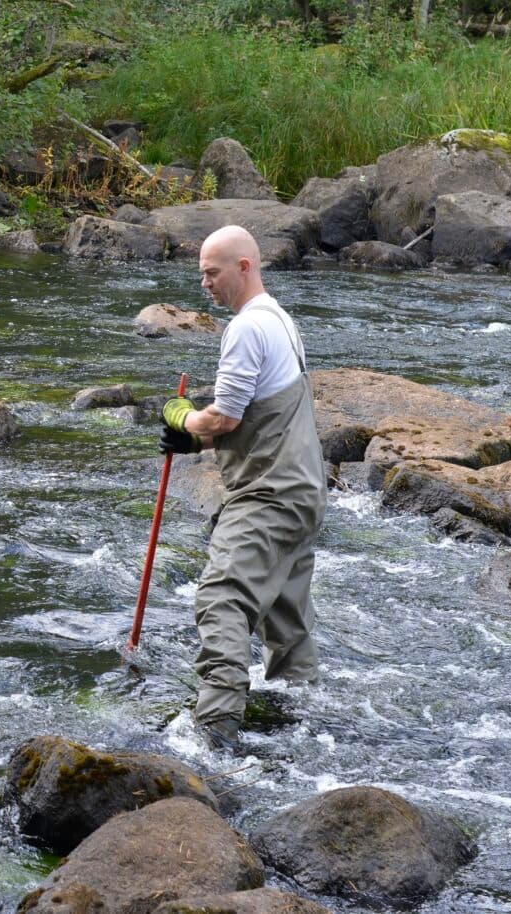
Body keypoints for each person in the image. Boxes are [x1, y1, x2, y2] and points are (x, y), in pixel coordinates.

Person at [160, 224, 326, 748]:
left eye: (212, 273)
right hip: (302, 495)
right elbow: (263, 421)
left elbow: (227, 419)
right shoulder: (281, 321)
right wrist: (195, 446)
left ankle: (215, 733)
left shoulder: (247, 328)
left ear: (245, 267)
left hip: (268, 496)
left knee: (221, 597)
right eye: (201, 274)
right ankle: (302, 729)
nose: (204, 283)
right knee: (285, 620)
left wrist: (181, 418)